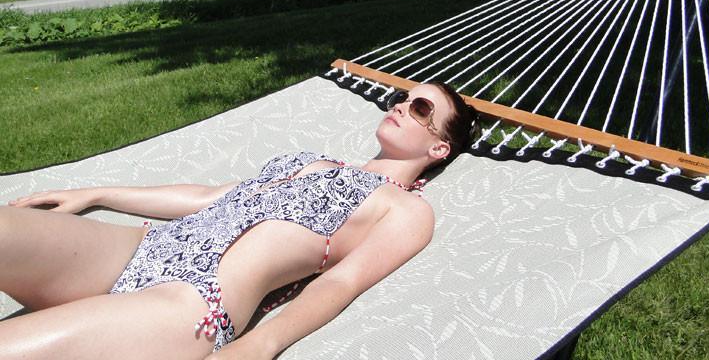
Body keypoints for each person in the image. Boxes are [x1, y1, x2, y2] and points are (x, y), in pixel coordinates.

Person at [0, 82, 477, 360]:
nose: (398, 104)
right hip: (137, 247)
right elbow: (208, 197)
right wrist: (97, 193)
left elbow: (343, 283)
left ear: (439, 148)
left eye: (419, 108)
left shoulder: (406, 209)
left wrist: (260, 345)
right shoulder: (316, 161)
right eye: (401, 96)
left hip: (188, 302)